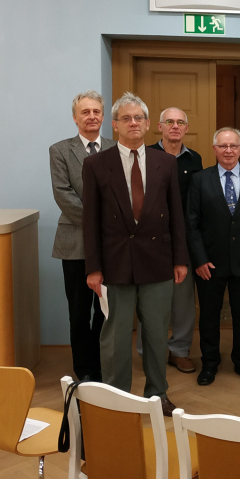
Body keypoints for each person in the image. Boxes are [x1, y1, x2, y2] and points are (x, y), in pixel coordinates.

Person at [82, 92, 189, 416]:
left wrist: (180, 259)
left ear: (147, 124)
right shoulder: (96, 164)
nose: (133, 123)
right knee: (115, 338)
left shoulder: (165, 163)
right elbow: (90, 220)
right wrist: (93, 268)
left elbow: (176, 214)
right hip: (114, 264)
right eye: (126, 118)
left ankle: (158, 395)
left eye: (138, 118)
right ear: (114, 124)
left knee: (156, 333)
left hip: (157, 261)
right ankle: (118, 400)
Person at [186, 127, 240, 386]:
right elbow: (191, 224)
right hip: (209, 263)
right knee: (209, 316)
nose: (228, 150)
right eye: (223, 146)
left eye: (233, 145)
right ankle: (209, 363)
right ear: (214, 149)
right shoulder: (200, 180)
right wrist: (199, 259)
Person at [49, 90, 115, 382]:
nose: (91, 116)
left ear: (103, 116)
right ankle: (85, 369)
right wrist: (99, 224)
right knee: (79, 312)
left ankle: (102, 366)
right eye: (85, 112)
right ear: (75, 118)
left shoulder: (116, 148)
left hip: (112, 245)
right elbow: (63, 194)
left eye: (96, 111)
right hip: (75, 242)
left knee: (105, 310)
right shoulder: (60, 150)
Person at [135, 107, 203, 374]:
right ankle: (150, 352)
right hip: (151, 239)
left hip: (183, 239)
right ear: (159, 126)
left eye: (180, 122)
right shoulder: (144, 155)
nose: (175, 126)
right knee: (149, 300)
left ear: (186, 128)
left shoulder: (195, 160)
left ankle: (180, 351)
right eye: (170, 122)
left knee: (183, 300)